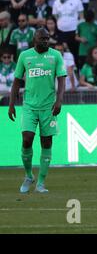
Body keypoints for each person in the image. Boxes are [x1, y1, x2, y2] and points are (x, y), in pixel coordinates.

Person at [8, 28, 67, 193]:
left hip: (48, 106)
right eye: (43, 39)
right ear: (35, 39)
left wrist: (59, 101)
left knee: (46, 142)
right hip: (29, 106)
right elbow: (17, 81)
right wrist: (11, 104)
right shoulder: (25, 56)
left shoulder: (55, 55)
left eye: (48, 38)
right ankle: (28, 175)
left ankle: (41, 182)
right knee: (27, 139)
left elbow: (62, 80)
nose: (46, 41)